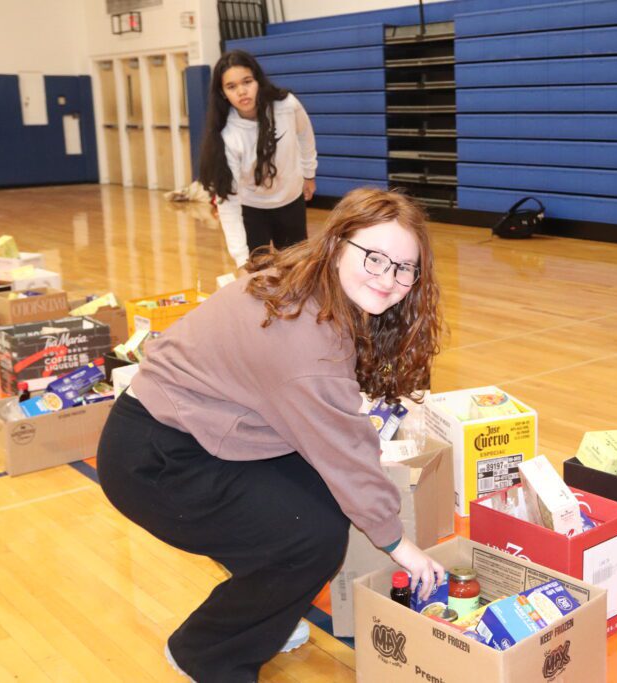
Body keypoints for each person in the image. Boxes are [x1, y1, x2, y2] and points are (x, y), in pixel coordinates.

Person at [97, 188, 445, 682]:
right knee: (311, 535)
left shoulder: (310, 281)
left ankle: (263, 617)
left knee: (314, 506)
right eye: (374, 258)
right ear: (339, 244)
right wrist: (397, 543)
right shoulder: (308, 343)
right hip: (156, 460)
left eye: (404, 268)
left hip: (202, 430)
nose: (388, 279)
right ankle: (206, 653)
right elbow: (345, 452)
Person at [199, 50, 318, 269]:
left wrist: (308, 174)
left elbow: (305, 135)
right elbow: (229, 203)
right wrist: (241, 259)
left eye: (247, 82)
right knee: (259, 278)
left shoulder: (286, 106)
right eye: (231, 86)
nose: (242, 92)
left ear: (258, 81)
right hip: (252, 210)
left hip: (290, 201)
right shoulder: (227, 137)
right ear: (223, 93)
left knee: (298, 273)